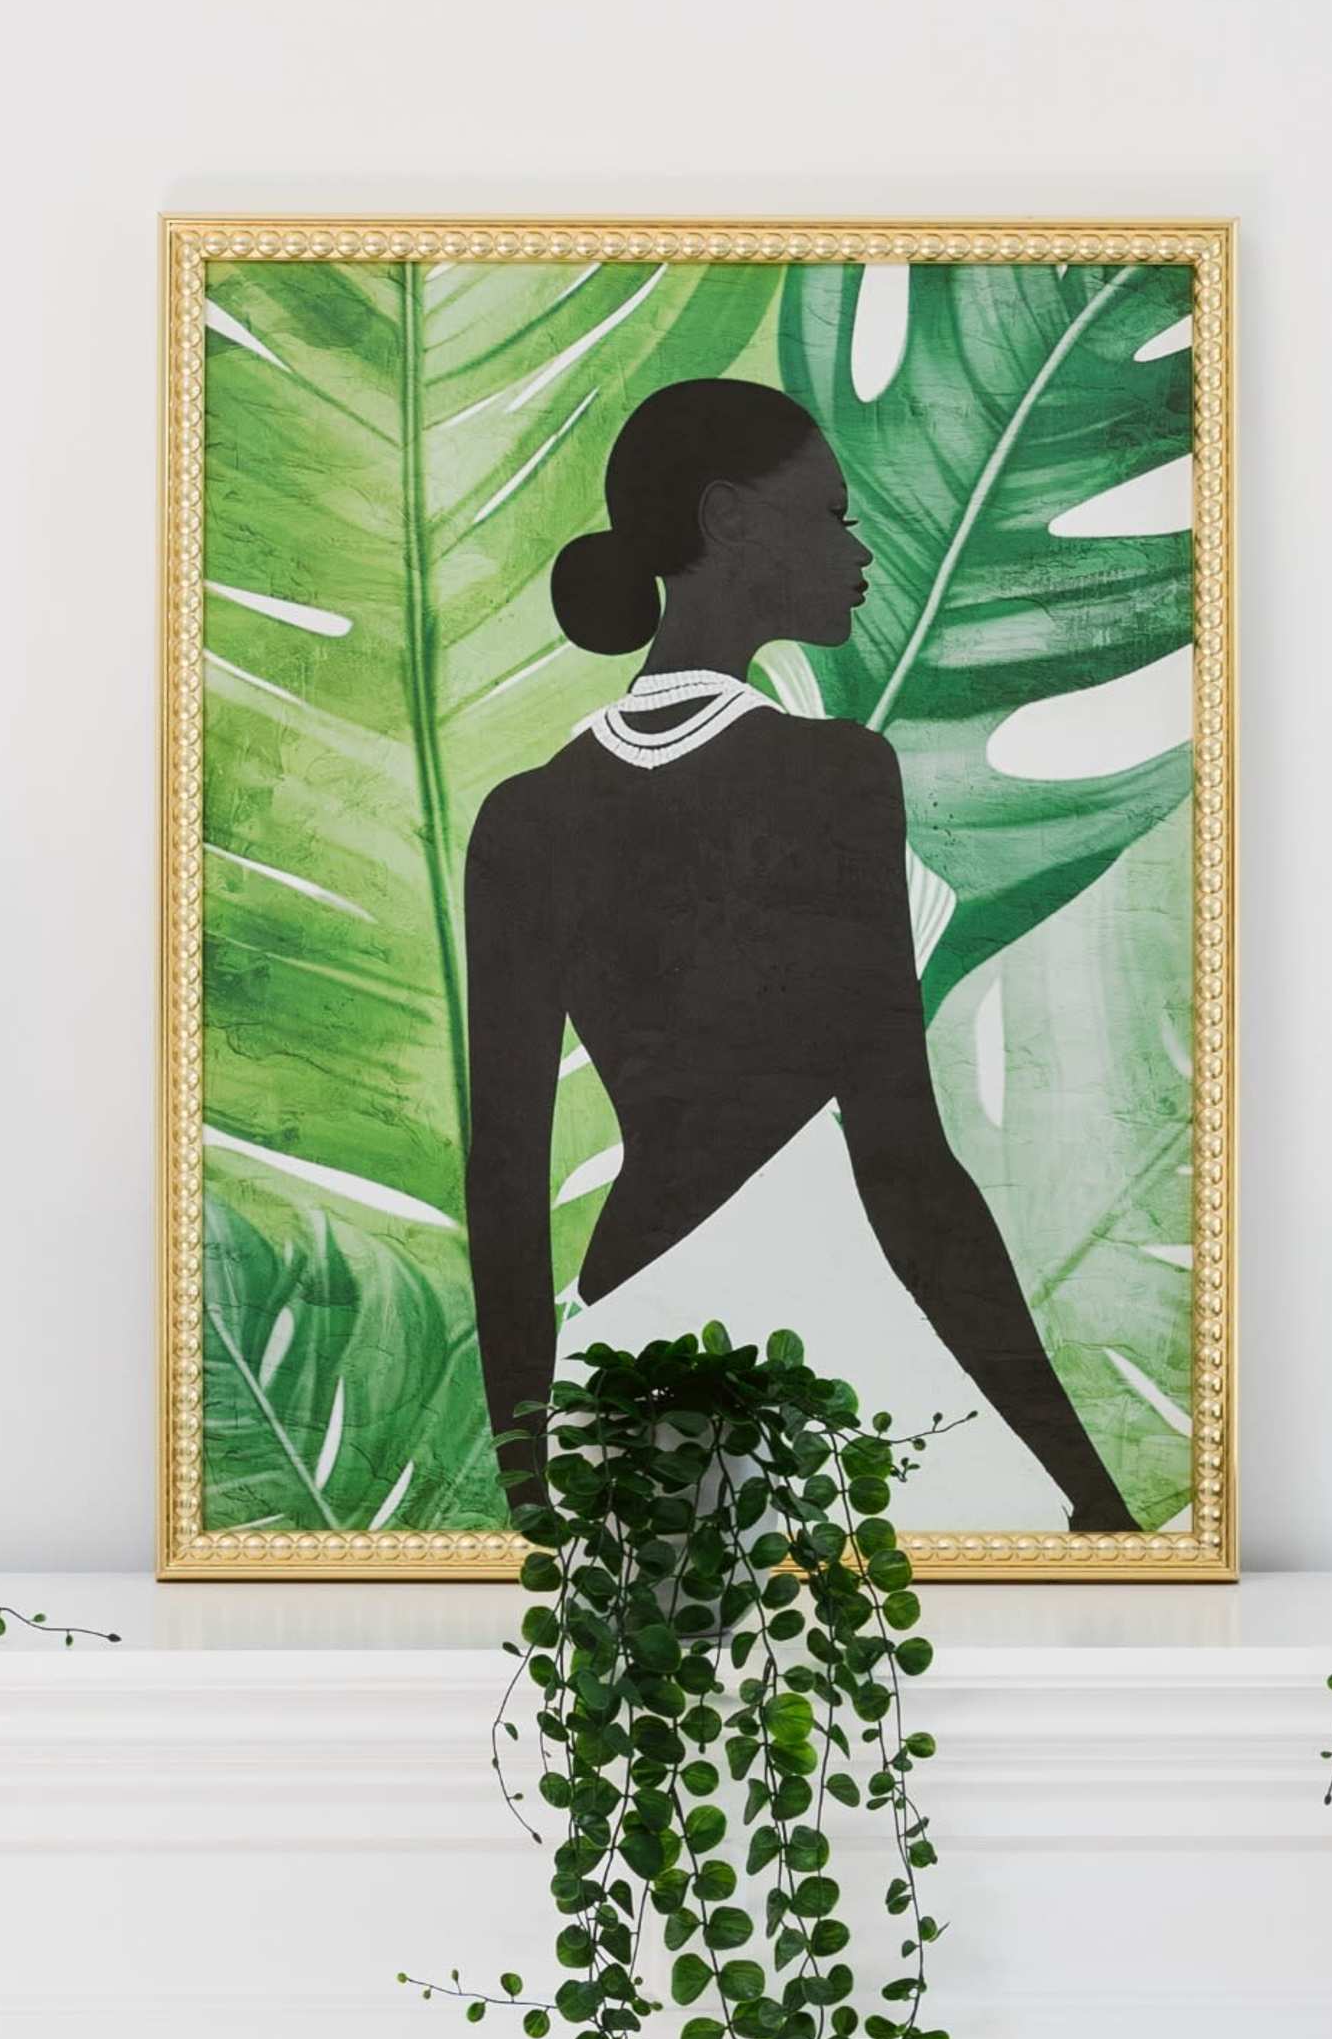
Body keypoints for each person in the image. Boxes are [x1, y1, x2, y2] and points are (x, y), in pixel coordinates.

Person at [459, 377, 1139, 1537]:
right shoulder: (834, 779)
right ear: (731, 521)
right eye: (832, 514)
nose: (860, 549)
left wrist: (535, 1479)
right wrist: (1087, 1491)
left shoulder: (524, 818)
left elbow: (506, 1185)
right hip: (820, 1305)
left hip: (631, 1348)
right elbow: (903, 1160)